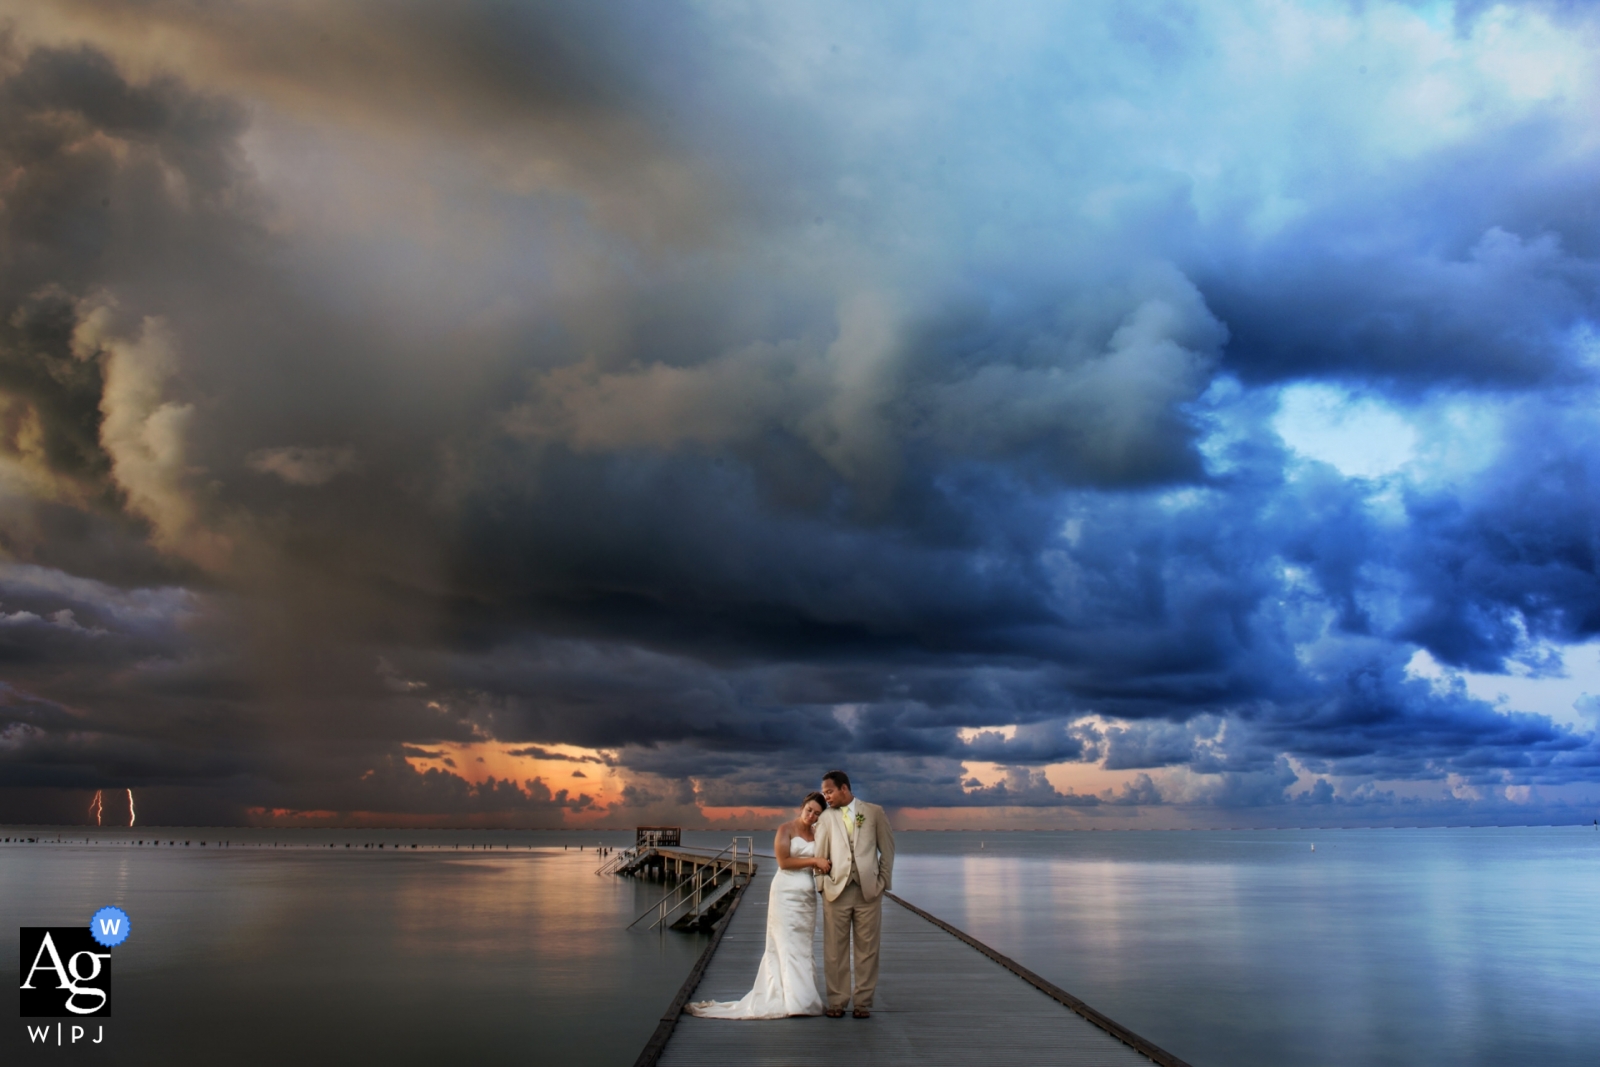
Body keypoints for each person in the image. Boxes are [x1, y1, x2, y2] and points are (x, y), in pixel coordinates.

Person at [685, 792, 832, 1018]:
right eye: (809, 810)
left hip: (806, 896)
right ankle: (789, 1000)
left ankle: (804, 998)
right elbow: (784, 861)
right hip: (785, 892)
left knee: (803, 946)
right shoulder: (786, 829)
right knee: (784, 944)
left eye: (817, 814)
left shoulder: (817, 833)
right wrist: (815, 861)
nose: (812, 816)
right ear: (802, 807)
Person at [814, 769, 894, 1018]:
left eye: (829, 791)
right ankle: (837, 1002)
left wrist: (882, 882)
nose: (825, 796)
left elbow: (887, 850)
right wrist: (821, 885)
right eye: (824, 792)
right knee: (834, 950)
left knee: (867, 949)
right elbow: (820, 853)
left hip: (868, 893)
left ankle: (862, 1003)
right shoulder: (826, 818)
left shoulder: (873, 812)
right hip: (835, 891)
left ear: (844, 789)